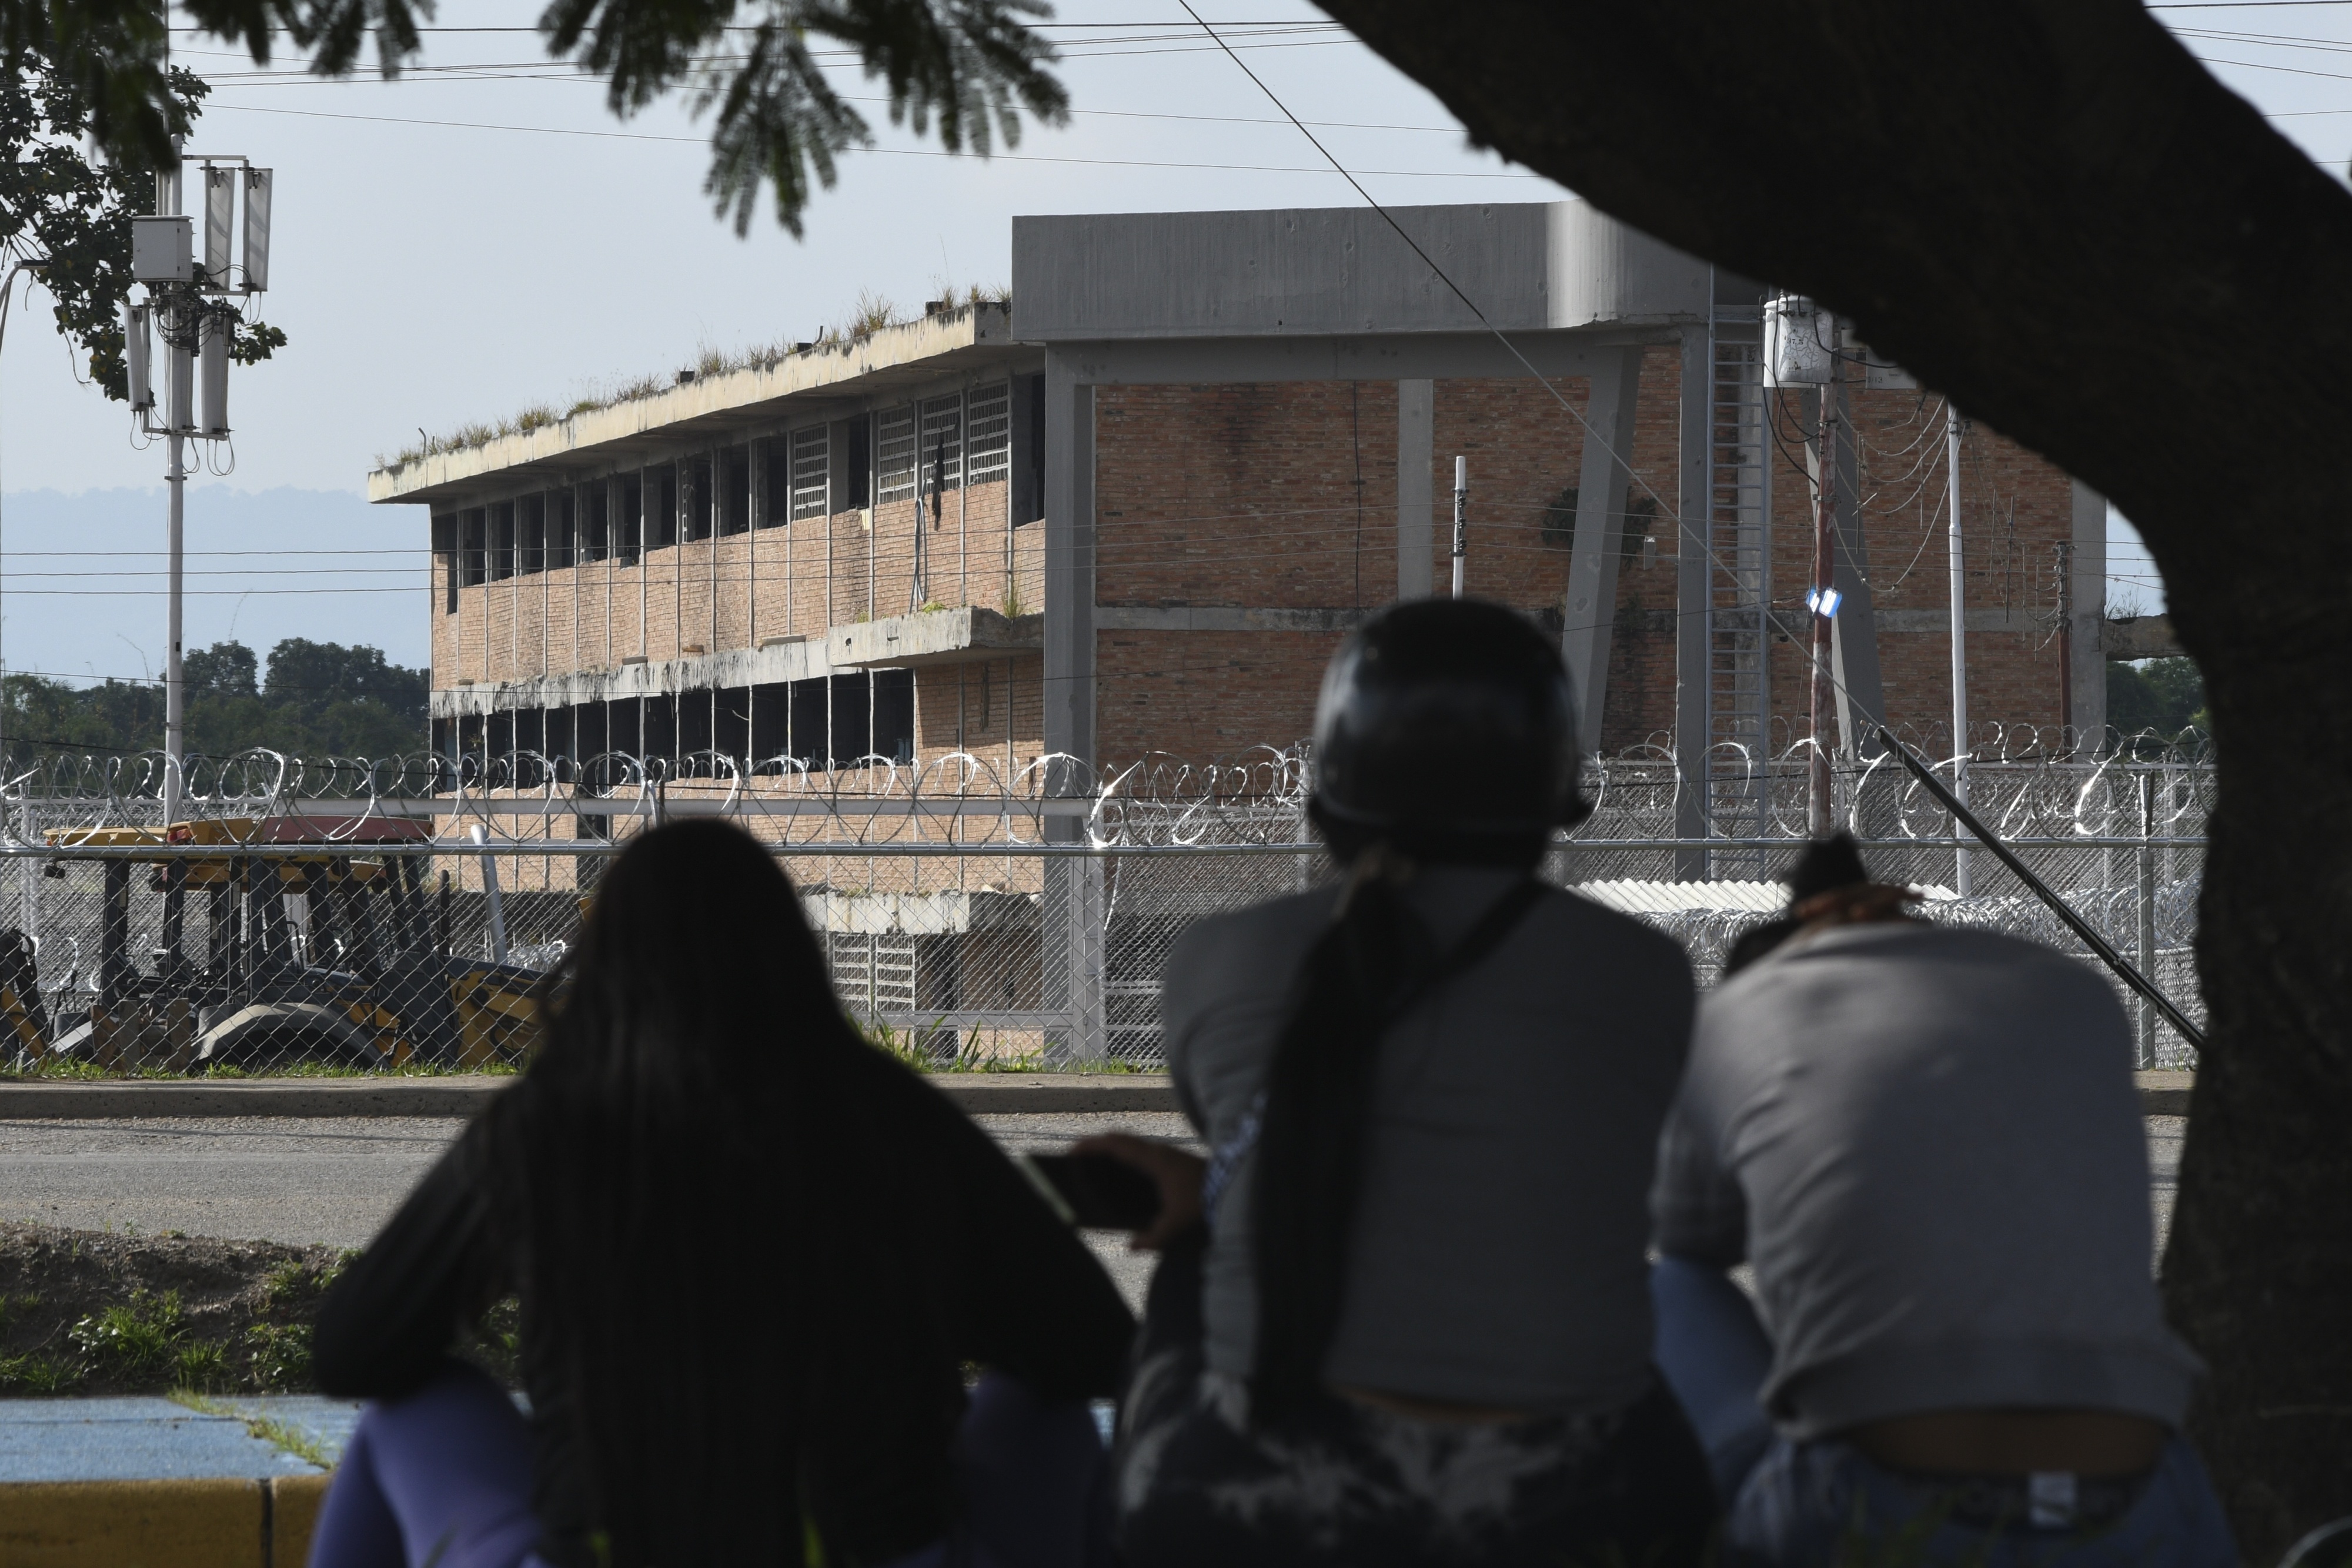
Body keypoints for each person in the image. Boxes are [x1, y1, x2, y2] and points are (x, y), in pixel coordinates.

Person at [306, 820, 1135, 1568]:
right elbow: (1095, 1346)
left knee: (408, 1410)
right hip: (874, 1547)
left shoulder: (542, 1129)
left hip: (602, 1549)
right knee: (1044, 1411)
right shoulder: (889, 1115)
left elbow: (353, 1348)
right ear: (790, 952)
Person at [1084, 598, 1716, 1567]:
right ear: (1551, 803)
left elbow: (1288, 1136)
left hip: (1257, 1508)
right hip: (1577, 1505)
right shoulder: (1644, 972)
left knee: (1188, 1265)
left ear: (1330, 798)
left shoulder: (1218, 960)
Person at [1651, 834, 2235, 1566]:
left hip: (1880, 1499)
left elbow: (1692, 1242)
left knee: (1667, 1285)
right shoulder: (2075, 995)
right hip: (2137, 1493)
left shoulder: (1736, 1017)